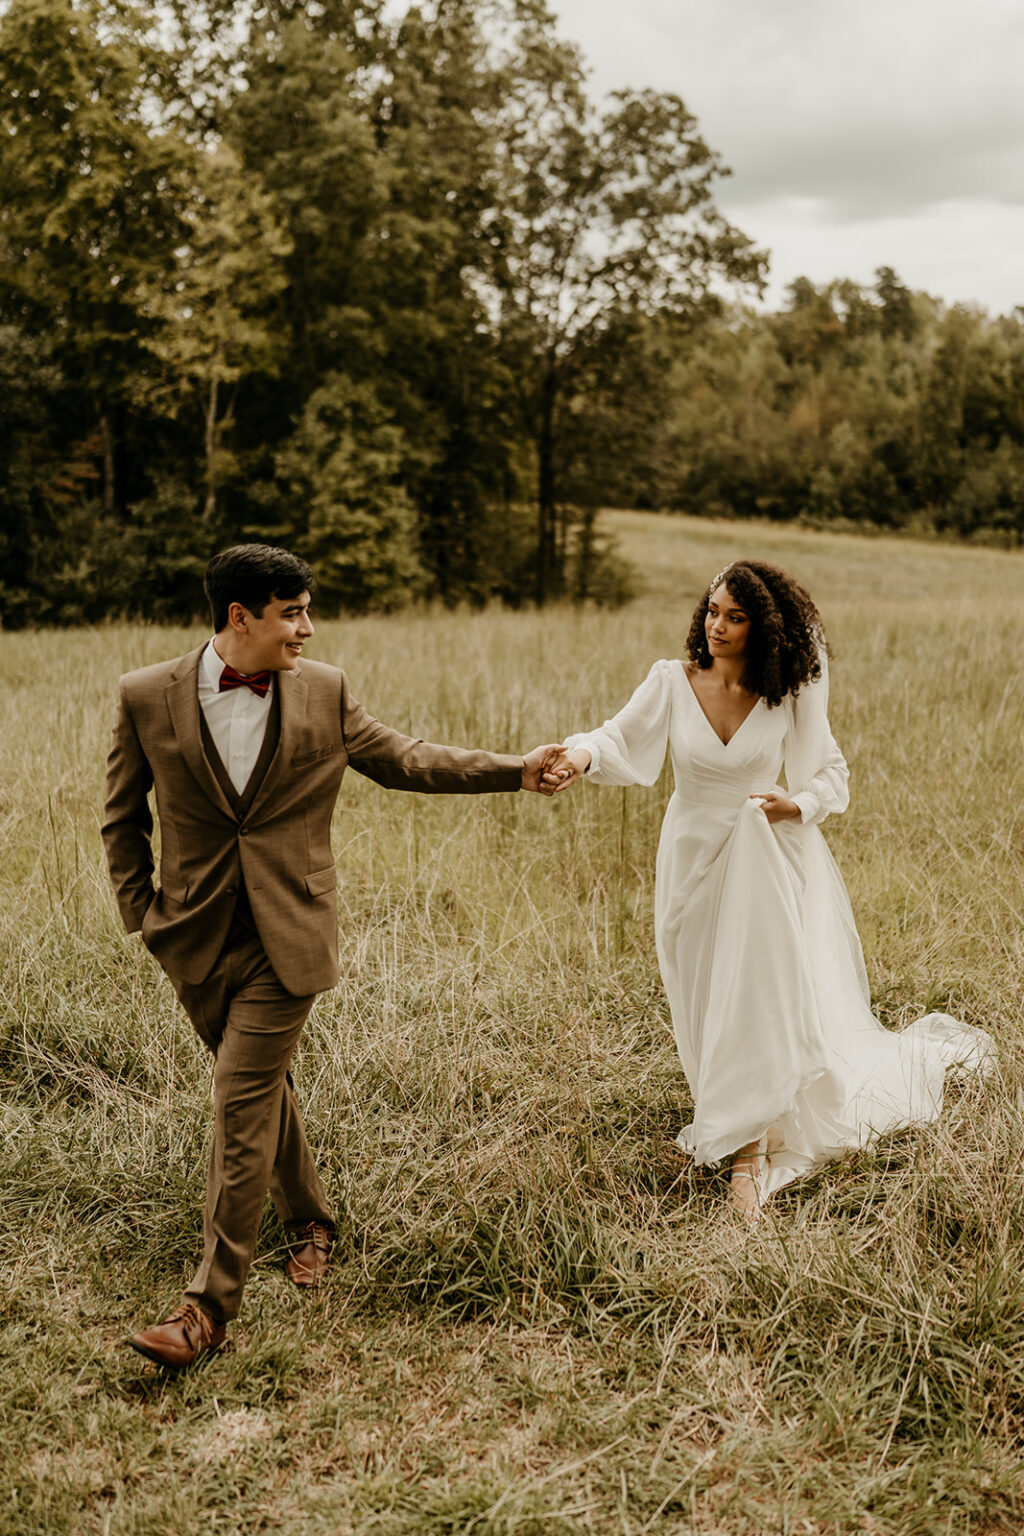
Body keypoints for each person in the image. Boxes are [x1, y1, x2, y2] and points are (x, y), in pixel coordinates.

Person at [103, 543, 565, 1368]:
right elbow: (120, 816)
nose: (308, 629)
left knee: (239, 1103)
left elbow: (406, 759)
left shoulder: (325, 691)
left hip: (292, 938)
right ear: (239, 617)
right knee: (262, 1087)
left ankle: (205, 1314)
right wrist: (142, 913)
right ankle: (311, 1220)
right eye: (293, 613)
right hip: (195, 938)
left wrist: (513, 771)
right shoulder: (146, 696)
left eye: (309, 611)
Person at [548, 560, 992, 1218]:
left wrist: (797, 804)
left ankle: (748, 1159)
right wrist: (576, 757)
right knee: (703, 994)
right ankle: (734, 1106)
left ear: (763, 627)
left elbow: (830, 773)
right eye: (711, 612)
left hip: (763, 859)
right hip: (691, 860)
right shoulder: (673, 680)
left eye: (734, 616)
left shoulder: (786, 691)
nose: (717, 626)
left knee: (752, 992)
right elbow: (615, 737)